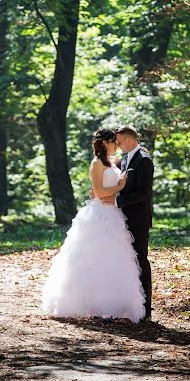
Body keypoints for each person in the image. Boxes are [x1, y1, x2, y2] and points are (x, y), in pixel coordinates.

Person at [42, 128, 146, 323]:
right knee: (95, 259)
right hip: (99, 216)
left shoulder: (114, 162)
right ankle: (91, 304)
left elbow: (105, 189)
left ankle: (112, 305)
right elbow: (99, 193)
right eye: (114, 141)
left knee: (113, 260)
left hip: (115, 215)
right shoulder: (96, 163)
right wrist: (119, 187)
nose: (117, 144)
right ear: (105, 142)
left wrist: (115, 192)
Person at [101, 125, 154, 320]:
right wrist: (104, 194)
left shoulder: (144, 160)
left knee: (140, 260)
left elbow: (143, 193)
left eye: (120, 141)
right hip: (122, 219)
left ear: (130, 140)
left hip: (138, 219)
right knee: (126, 262)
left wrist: (117, 201)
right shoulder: (125, 159)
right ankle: (129, 305)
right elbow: (122, 186)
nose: (118, 145)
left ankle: (145, 310)